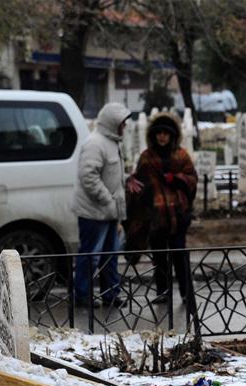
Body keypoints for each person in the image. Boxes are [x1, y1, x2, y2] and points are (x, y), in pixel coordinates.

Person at [124, 112, 197, 302]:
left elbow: (192, 179)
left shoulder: (181, 155)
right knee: (159, 256)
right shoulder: (146, 157)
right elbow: (138, 185)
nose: (162, 136)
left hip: (178, 215)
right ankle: (163, 292)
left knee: (179, 254)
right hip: (155, 216)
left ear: (172, 135)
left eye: (166, 133)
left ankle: (186, 292)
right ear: (154, 135)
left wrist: (177, 179)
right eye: (159, 133)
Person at [72, 102, 131, 308]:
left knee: (110, 256)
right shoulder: (96, 143)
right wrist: (107, 199)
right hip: (94, 211)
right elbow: (88, 176)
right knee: (90, 255)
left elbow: (111, 174)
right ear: (113, 123)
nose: (124, 127)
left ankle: (110, 294)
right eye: (122, 123)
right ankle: (82, 295)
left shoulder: (111, 142)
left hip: (108, 211)